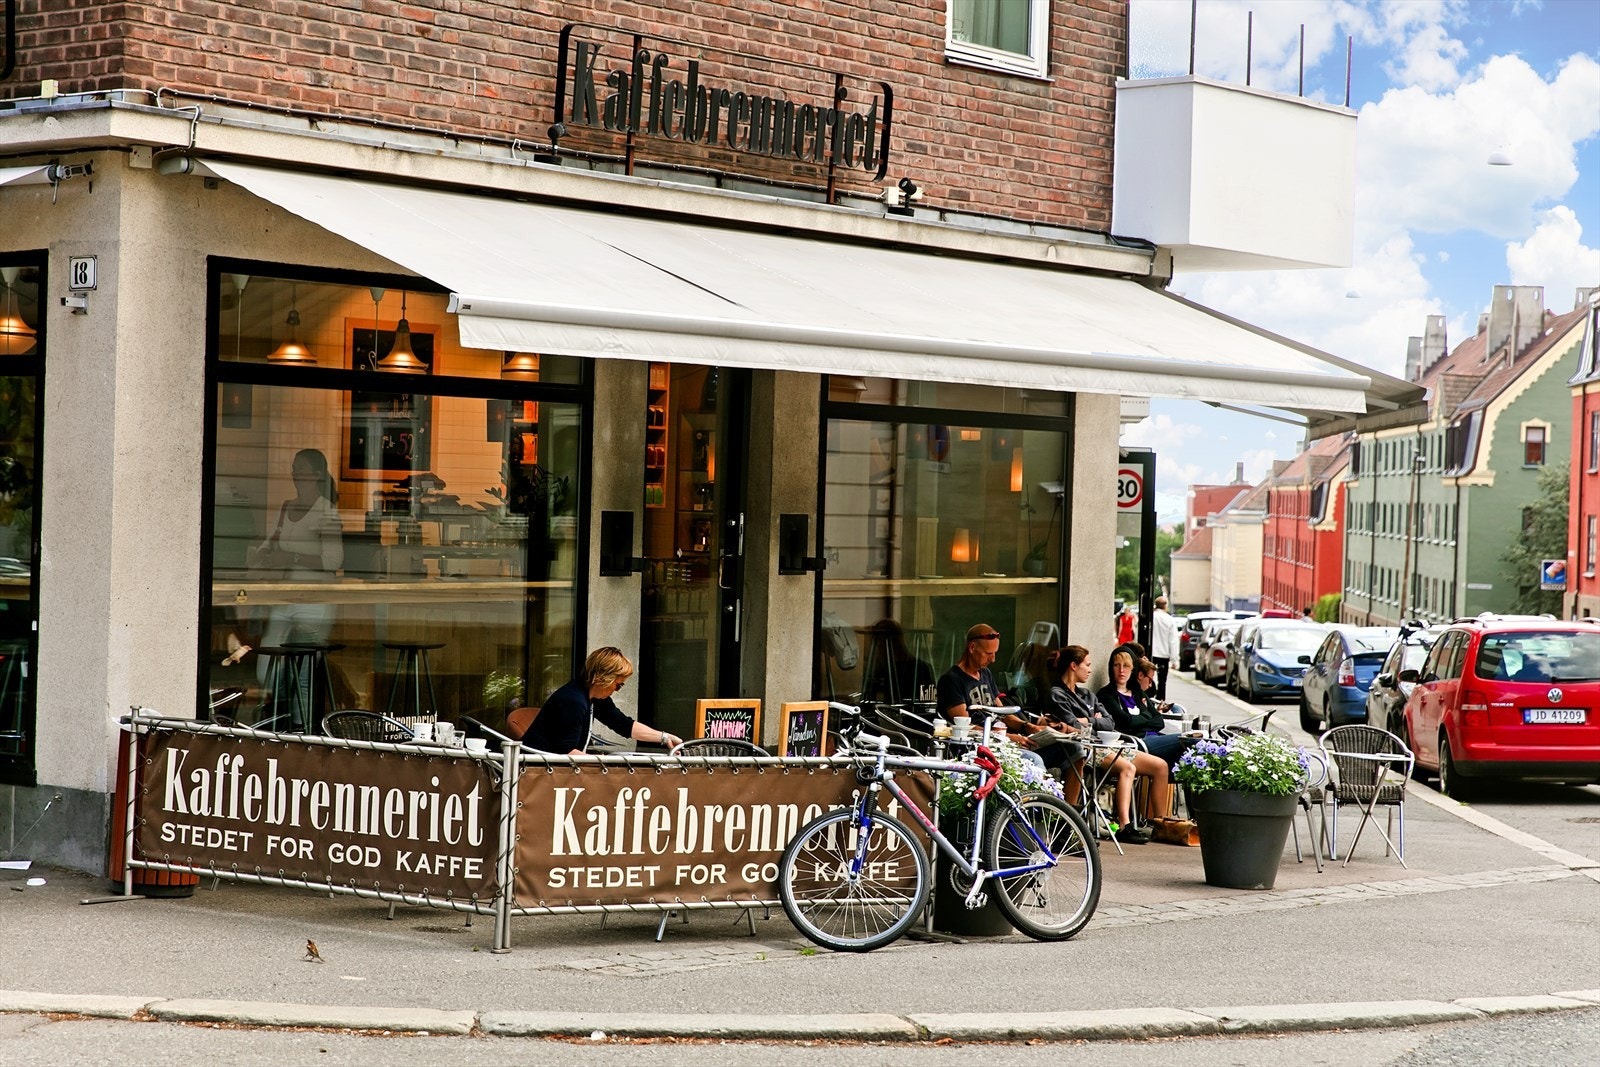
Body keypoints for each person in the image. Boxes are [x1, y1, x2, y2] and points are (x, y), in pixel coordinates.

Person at [247, 448, 345, 711]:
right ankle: (280, 721)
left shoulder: (326, 511)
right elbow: (270, 544)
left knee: (303, 674)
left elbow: (334, 560)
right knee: (266, 668)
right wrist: (263, 554)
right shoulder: (286, 507)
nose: (294, 473)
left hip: (315, 601)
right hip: (284, 598)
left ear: (315, 474)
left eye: (300, 468)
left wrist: (291, 558)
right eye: (293, 468)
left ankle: (300, 732)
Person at [1044, 644, 1150, 845]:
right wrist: (1092, 719)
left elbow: (1109, 723)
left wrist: (1087, 721)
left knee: (1154, 765)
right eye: (1087, 665)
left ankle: (1148, 823)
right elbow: (1072, 725)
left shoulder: (1087, 695)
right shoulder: (1057, 694)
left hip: (1100, 745)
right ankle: (1122, 825)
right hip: (1081, 748)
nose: (1091, 670)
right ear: (1074, 666)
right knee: (1126, 767)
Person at [522, 647, 681, 755]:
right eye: (618, 685)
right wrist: (605, 767)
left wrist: (664, 737)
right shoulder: (574, 701)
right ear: (604, 679)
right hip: (537, 774)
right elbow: (566, 752)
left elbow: (623, 725)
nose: (617, 690)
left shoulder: (593, 697)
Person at [936, 623, 1045, 768]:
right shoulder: (952, 680)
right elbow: (964, 726)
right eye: (988, 653)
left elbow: (1002, 712)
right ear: (972, 648)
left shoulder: (986, 673)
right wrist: (1007, 738)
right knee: (1034, 760)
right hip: (976, 747)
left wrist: (1027, 726)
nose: (993, 659)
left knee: (1069, 750)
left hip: (999, 740)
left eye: (995, 653)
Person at [1095, 648, 1175, 824]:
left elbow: (1158, 721)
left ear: (1132, 670)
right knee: (1185, 742)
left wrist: (1139, 719)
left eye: (1126, 666)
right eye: (1117, 665)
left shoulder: (1138, 693)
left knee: (1169, 763)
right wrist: (1145, 717)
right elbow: (1124, 722)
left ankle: (1160, 822)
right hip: (1134, 743)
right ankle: (1160, 821)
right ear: (1111, 668)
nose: (1121, 670)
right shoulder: (1106, 695)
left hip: (1150, 738)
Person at [1149, 595, 1177, 700]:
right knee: (1162, 682)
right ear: (1165, 606)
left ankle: (1148, 698)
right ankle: (1161, 701)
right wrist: (1174, 659)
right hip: (1163, 654)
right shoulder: (1169, 620)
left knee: (1148, 678)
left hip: (1151, 652)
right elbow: (1173, 641)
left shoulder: (1151, 617)